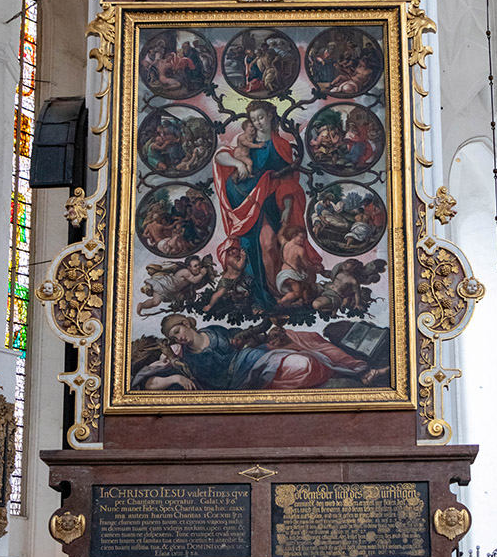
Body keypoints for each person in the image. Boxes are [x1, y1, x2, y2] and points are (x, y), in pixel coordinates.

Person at [214, 100, 322, 308]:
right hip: (245, 200)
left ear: (271, 116)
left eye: (261, 117)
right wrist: (237, 164)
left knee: (272, 244)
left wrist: (288, 207)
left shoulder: (281, 145)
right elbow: (220, 156)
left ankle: (274, 290)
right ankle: (263, 292)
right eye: (253, 119)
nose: (258, 122)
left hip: (272, 202)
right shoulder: (246, 140)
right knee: (263, 243)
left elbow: (289, 180)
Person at [140, 313, 370, 391]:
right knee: (304, 366)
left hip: (253, 358)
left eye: (178, 331)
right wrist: (176, 377)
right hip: (240, 381)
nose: (178, 337)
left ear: (186, 324)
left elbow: (240, 337)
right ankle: (346, 373)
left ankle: (352, 369)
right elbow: (147, 382)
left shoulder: (214, 330)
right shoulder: (182, 356)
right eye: (174, 337)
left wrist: (257, 335)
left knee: (299, 344)